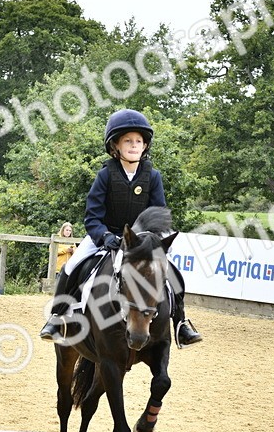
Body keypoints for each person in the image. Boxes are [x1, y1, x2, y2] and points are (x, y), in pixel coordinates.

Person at [39, 109, 202, 347]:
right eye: (128, 140)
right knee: (71, 267)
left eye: (139, 141)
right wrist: (104, 236)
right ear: (115, 145)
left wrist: (149, 239)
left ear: (145, 146)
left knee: (173, 273)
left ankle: (180, 323)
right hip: (106, 236)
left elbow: (158, 213)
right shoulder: (105, 175)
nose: (134, 145)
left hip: (141, 241)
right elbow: (92, 215)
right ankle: (57, 317)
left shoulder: (152, 176)